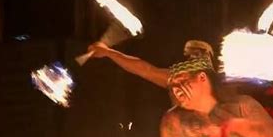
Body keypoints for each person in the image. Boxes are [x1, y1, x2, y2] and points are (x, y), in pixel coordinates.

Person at [86, 39, 214, 88]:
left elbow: (145, 70)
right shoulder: (181, 80)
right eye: (190, 56)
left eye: (198, 54)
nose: (193, 59)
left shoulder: (222, 84)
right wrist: (109, 52)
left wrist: (109, 52)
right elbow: (144, 69)